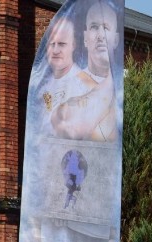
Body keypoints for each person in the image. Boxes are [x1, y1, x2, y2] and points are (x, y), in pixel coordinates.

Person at [52, 0, 120, 141]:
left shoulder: (121, 88)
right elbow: (62, 126)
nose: (100, 35)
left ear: (116, 40)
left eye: (106, 28)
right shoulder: (69, 83)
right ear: (85, 38)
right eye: (94, 27)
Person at [38, 17, 97, 135]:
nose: (55, 50)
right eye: (52, 44)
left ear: (73, 45)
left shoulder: (87, 85)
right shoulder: (42, 85)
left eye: (61, 44)